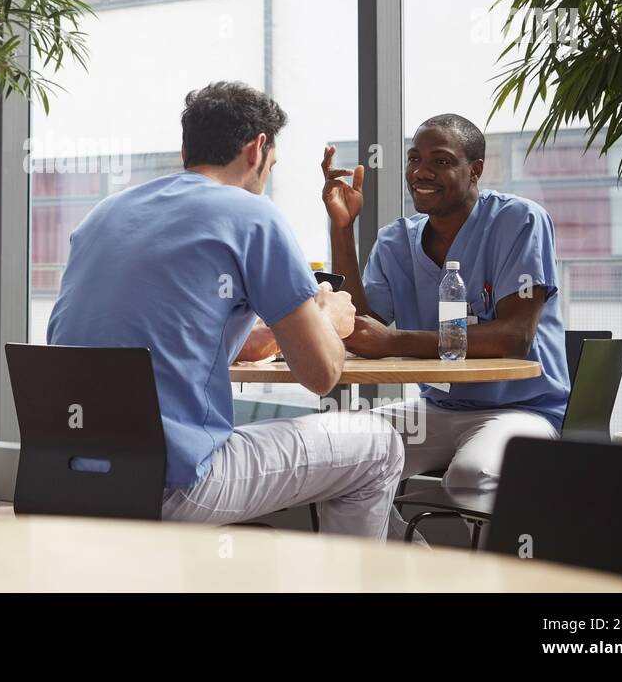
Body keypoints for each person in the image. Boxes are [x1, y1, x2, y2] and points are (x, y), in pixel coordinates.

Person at [47, 82, 403, 538]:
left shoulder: (104, 213)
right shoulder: (253, 215)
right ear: (257, 149)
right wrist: (329, 320)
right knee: (380, 444)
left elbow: (171, 333)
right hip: (174, 486)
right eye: (271, 166)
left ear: (184, 149)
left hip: (69, 476)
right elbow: (322, 374)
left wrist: (273, 334)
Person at [320, 113, 569, 542]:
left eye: (441, 160)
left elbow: (514, 337)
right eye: (414, 159)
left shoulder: (520, 221)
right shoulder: (396, 240)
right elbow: (359, 328)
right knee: (336, 461)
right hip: (438, 409)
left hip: (522, 410)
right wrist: (343, 230)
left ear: (475, 169)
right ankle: (407, 577)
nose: (421, 172)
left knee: (472, 476)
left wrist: (395, 341)